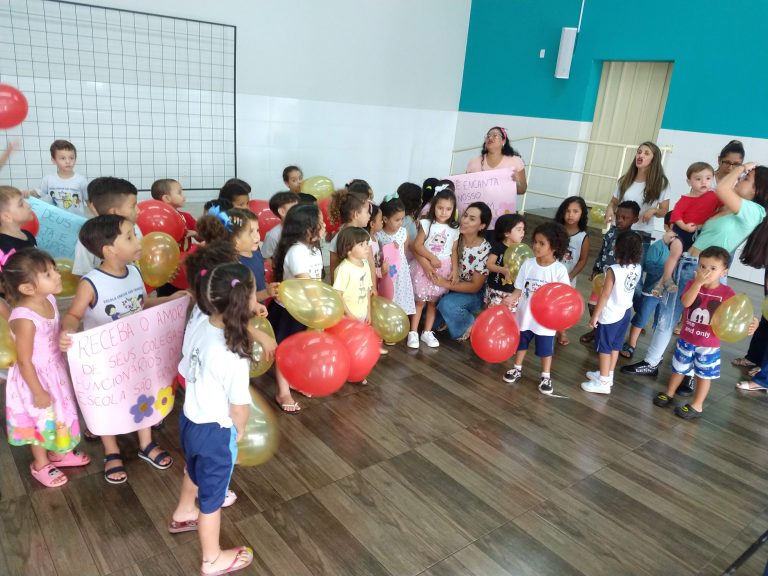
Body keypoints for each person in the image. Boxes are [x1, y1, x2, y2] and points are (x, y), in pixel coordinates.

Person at [60, 215, 182, 484]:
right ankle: (111, 450)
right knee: (108, 402)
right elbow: (73, 314)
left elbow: (141, 303)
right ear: (108, 250)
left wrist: (168, 299)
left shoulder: (135, 272)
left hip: (137, 353)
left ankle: (146, 443)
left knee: (143, 394)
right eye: (130, 237)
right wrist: (67, 330)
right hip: (106, 362)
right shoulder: (91, 283)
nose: (138, 241)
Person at [623, 162, 768, 381]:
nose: (741, 178)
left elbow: (721, 188)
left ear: (758, 190)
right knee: (673, 316)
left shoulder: (754, 210)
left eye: (747, 179)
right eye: (743, 175)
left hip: (704, 270)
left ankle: (676, 371)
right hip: (691, 264)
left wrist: (741, 167)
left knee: (695, 322)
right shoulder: (729, 207)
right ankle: (659, 364)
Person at [169, 262, 255, 576]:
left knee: (193, 468)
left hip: (190, 420)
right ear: (244, 301)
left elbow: (182, 369)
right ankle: (211, 559)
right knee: (213, 500)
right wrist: (240, 431)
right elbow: (239, 408)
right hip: (216, 432)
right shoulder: (233, 353)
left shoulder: (202, 323)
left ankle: (182, 511)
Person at [2, 248, 90, 487]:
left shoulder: (49, 299)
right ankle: (40, 463)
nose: (58, 274)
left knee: (58, 414)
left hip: (54, 371)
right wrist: (38, 391)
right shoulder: (25, 319)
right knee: (39, 419)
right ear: (28, 289)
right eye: (49, 274)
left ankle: (59, 453)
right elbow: (24, 360)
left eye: (54, 269)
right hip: (34, 377)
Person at [653, 247, 757, 419]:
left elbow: (739, 314)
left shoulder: (727, 293)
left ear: (724, 272)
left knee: (703, 375)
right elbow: (686, 303)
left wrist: (754, 322)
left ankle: (697, 405)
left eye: (713, 269)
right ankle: (670, 393)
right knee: (678, 369)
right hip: (686, 338)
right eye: (702, 266)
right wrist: (698, 284)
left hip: (708, 345)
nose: (706, 272)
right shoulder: (691, 285)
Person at [268, 204, 325, 412]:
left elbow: (317, 282)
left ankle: (295, 381)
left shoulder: (313, 249)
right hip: (290, 311)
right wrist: (320, 309)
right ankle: (282, 391)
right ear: (306, 228)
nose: (324, 225)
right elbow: (307, 284)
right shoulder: (296, 251)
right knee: (285, 351)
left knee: (302, 349)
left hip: (307, 310)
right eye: (320, 223)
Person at [502, 222, 570, 395]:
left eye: (542, 243)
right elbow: (518, 288)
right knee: (521, 343)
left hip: (545, 320)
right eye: (535, 242)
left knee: (546, 348)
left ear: (554, 247)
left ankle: (546, 376)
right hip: (525, 315)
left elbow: (564, 297)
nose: (536, 246)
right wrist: (511, 298)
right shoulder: (528, 264)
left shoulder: (559, 270)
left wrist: (561, 320)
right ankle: (517, 368)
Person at [581, 232, 643, 394]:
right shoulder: (637, 267)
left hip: (610, 315)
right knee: (615, 346)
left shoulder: (613, 270)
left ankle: (603, 383)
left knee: (604, 348)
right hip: (625, 312)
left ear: (617, 249)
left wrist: (595, 315)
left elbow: (605, 295)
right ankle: (608, 375)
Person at [579, 200, 640, 344]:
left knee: (611, 308)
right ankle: (596, 329)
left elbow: (635, 262)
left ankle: (608, 332)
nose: (620, 220)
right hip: (602, 277)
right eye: (618, 216)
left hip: (616, 282)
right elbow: (603, 251)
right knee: (593, 304)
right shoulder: (611, 232)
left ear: (635, 220)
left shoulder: (633, 239)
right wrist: (596, 268)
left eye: (625, 218)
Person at [655, 162, 721, 295]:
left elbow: (726, 207)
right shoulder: (685, 199)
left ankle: (660, 284)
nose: (704, 182)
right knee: (676, 252)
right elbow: (676, 215)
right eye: (698, 179)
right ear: (689, 181)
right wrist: (684, 226)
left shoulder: (714, 196)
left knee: (690, 260)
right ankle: (667, 279)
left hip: (700, 234)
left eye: (708, 178)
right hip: (682, 231)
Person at [408, 188, 460, 349]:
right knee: (420, 301)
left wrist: (455, 270)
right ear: (433, 207)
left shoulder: (455, 229)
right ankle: (413, 332)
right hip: (426, 267)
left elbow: (453, 251)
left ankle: (427, 332)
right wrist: (431, 257)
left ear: (453, 210)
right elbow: (417, 245)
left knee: (432, 303)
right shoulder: (427, 224)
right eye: (440, 208)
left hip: (443, 269)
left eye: (448, 209)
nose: (444, 212)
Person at [433, 202, 492, 340]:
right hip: (450, 287)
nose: (465, 220)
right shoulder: (453, 236)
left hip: (473, 294)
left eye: (472, 219)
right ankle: (450, 319)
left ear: (482, 226)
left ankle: (470, 324)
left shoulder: (484, 250)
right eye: (465, 215)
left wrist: (444, 284)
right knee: (425, 311)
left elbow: (475, 287)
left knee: (447, 305)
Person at [621, 212, 674, 359]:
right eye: (675, 227)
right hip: (651, 291)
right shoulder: (657, 247)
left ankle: (657, 351)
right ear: (666, 227)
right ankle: (631, 343)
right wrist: (667, 271)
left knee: (661, 321)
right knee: (642, 317)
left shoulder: (682, 248)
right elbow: (649, 267)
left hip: (669, 294)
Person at [196, 208, 275, 303]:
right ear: (235, 240)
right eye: (250, 232)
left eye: (257, 230)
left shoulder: (257, 255)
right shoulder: (233, 265)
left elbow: (261, 280)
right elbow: (242, 299)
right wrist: (266, 293)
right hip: (241, 312)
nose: (257, 236)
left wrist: (270, 288)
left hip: (259, 309)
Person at [72, 177, 141, 276]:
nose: (139, 210)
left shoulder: (135, 229)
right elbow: (82, 274)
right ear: (114, 212)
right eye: (133, 206)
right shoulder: (89, 238)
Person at [604, 142, 670, 245]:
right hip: (619, 228)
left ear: (654, 160)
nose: (641, 155)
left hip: (641, 232)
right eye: (639, 152)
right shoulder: (624, 180)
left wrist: (653, 210)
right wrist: (610, 208)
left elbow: (664, 211)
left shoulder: (661, 183)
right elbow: (614, 201)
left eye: (646, 153)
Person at [555, 196, 590, 346]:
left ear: (582, 214)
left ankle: (561, 331)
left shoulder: (582, 236)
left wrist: (571, 275)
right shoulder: (555, 231)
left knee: (562, 305)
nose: (571, 214)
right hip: (550, 274)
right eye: (568, 211)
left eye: (575, 211)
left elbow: (583, 259)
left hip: (568, 278)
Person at [375, 194, 416, 318]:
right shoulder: (379, 235)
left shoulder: (404, 232)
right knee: (387, 297)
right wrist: (387, 248)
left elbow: (406, 251)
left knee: (400, 297)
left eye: (402, 219)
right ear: (386, 219)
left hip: (401, 272)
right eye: (397, 220)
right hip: (387, 273)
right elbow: (376, 255)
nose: (401, 222)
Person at [465, 126, 527, 195]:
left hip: (504, 205)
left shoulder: (515, 161)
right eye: (488, 136)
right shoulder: (473, 162)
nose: (490, 138)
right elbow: (466, 189)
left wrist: (516, 183)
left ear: (503, 141)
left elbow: (523, 190)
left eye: (495, 135)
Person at [327, 187, 372, 280]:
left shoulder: (366, 236)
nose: (369, 215)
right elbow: (333, 272)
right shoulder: (337, 239)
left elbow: (371, 262)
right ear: (356, 214)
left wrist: (374, 287)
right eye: (367, 212)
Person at [485, 214, 526, 307]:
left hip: (513, 292)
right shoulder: (498, 247)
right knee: (494, 314)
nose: (522, 232)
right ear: (507, 233)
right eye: (519, 229)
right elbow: (489, 265)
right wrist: (502, 270)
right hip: (496, 289)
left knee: (510, 316)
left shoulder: (521, 250)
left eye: (523, 229)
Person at [40, 140, 88, 216]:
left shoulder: (81, 180)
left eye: (71, 158)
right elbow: (40, 195)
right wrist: (27, 194)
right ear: (53, 160)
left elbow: (89, 202)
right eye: (63, 158)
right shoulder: (48, 180)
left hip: (76, 223)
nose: (68, 161)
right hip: (55, 221)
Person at [151, 178, 197, 251]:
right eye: (179, 193)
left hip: (185, 258)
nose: (184, 196)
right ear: (167, 198)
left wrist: (195, 233)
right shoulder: (154, 220)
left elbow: (203, 237)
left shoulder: (186, 217)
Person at [261, 191, 299, 263]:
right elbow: (266, 257)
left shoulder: (304, 229)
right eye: (294, 208)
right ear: (282, 212)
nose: (299, 211)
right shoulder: (273, 235)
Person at [0, 186, 37, 253]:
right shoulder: (3, 247)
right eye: (21, 204)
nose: (29, 205)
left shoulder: (28, 235)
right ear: (7, 217)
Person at [397, 182, 423, 252]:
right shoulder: (407, 220)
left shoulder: (399, 216)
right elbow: (413, 243)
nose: (422, 201)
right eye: (420, 198)